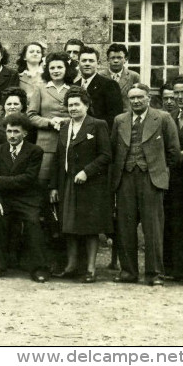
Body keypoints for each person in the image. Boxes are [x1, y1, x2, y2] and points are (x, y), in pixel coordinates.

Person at [111, 83, 180, 286]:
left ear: (148, 98)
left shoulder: (163, 118)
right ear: (128, 100)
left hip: (151, 179)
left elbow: (174, 151)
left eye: (140, 97)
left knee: (153, 228)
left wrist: (159, 171)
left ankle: (154, 273)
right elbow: (114, 149)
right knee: (125, 227)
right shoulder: (120, 120)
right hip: (125, 178)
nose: (136, 101)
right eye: (132, 98)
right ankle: (128, 272)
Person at [48, 88, 112, 283]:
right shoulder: (66, 127)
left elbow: (106, 155)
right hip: (68, 182)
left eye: (77, 104)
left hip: (90, 184)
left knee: (90, 227)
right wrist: (54, 186)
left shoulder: (98, 125)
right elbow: (59, 158)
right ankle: (71, 265)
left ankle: (91, 269)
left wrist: (87, 171)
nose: (73, 108)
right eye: (70, 105)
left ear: (86, 105)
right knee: (68, 225)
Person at [0, 113, 50, 283]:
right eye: (9, 131)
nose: (12, 135)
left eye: (16, 132)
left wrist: (0, 180)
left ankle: (39, 268)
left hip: (27, 198)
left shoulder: (35, 151)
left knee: (33, 222)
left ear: (25, 133)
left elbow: (28, 178)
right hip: (4, 197)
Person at [28, 52, 74, 187]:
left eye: (60, 67)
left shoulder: (74, 89)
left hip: (69, 141)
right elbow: (31, 115)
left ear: (66, 69)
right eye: (52, 68)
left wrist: (64, 121)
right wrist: (49, 122)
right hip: (46, 143)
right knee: (43, 182)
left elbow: (82, 115)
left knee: (66, 182)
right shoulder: (40, 89)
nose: (56, 71)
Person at [165, 75, 183, 283]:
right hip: (174, 178)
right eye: (177, 93)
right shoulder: (170, 116)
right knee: (176, 220)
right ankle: (179, 269)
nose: (180, 97)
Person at [75, 47, 124, 133]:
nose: (87, 64)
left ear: (98, 63)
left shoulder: (109, 85)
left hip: (99, 135)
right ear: (78, 63)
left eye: (91, 61)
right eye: (84, 60)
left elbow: (115, 117)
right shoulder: (75, 85)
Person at [102, 43, 142, 113]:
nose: (116, 61)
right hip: (105, 117)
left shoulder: (134, 76)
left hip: (126, 116)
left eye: (119, 58)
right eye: (112, 58)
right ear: (108, 59)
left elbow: (139, 97)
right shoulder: (100, 76)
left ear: (125, 59)